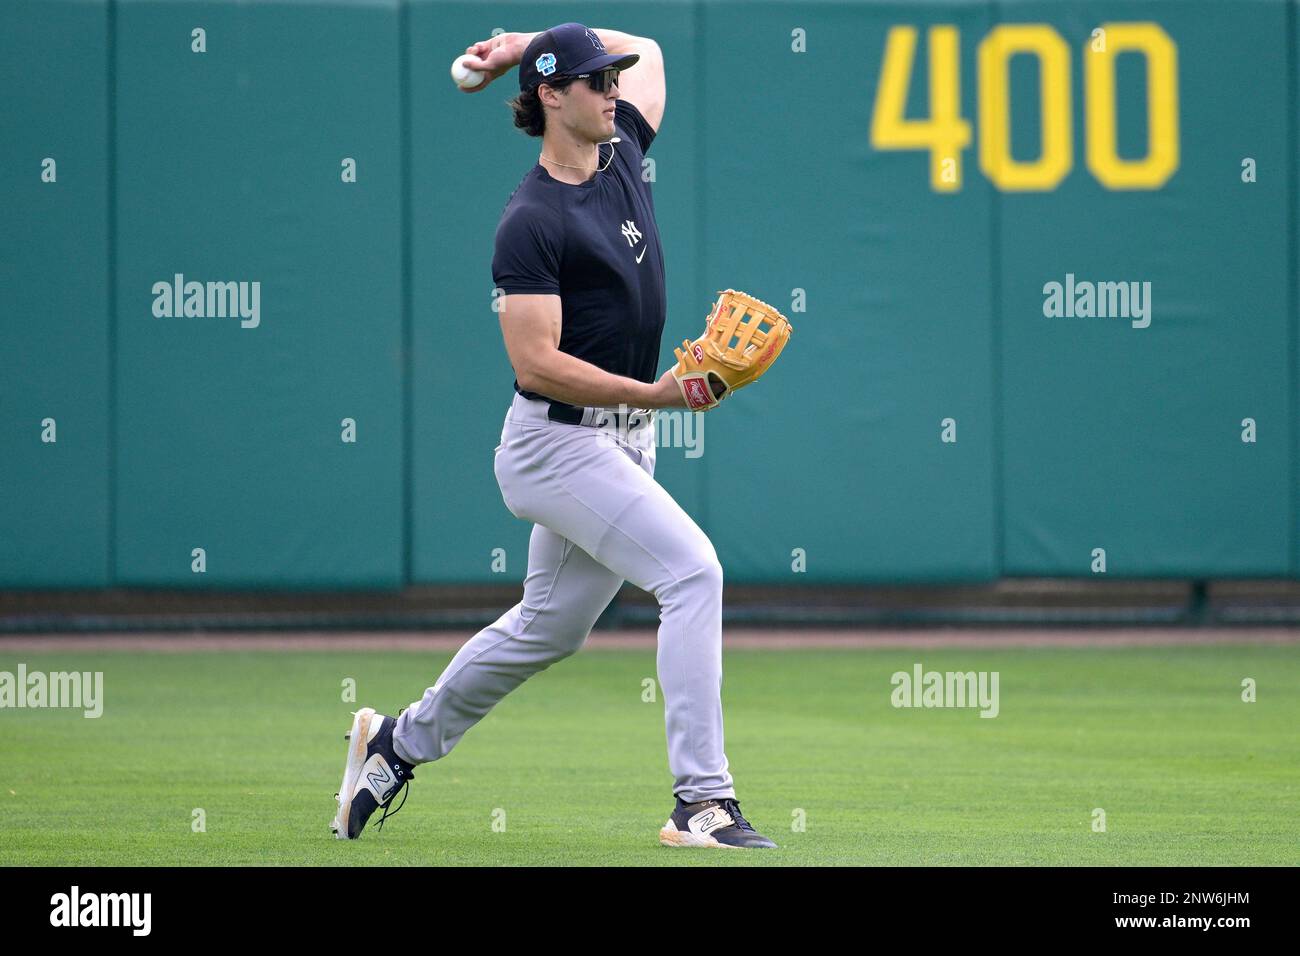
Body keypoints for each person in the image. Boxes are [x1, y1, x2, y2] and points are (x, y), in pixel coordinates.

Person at [331, 22, 776, 850]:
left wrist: (514, 40)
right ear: (552, 97)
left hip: (624, 440)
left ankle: (395, 743)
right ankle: (703, 803)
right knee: (693, 573)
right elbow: (536, 364)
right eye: (595, 80)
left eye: (613, 80)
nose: (614, 89)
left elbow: (651, 44)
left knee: (550, 627)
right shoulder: (530, 220)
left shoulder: (624, 155)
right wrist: (658, 392)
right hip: (555, 446)